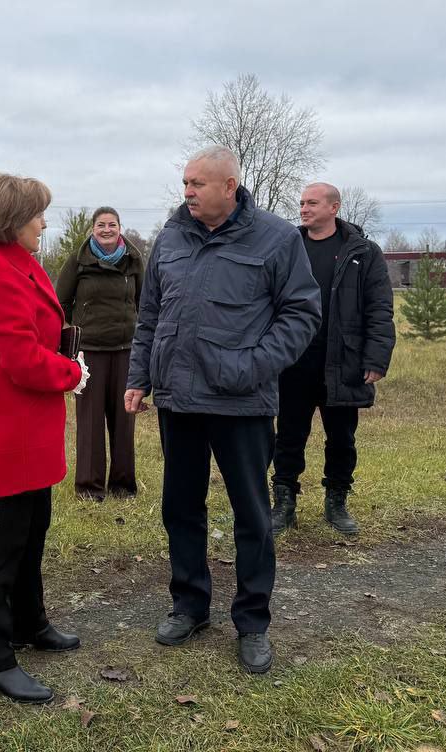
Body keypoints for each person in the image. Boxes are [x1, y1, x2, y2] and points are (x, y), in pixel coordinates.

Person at [126, 147, 320, 675]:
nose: (187, 191)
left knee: (252, 514)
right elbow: (150, 316)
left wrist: (253, 365)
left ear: (229, 186)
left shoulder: (276, 238)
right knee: (180, 508)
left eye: (197, 183)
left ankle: (253, 621)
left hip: (242, 403)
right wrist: (139, 377)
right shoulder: (171, 237)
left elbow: (302, 314)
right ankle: (190, 605)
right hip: (178, 399)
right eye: (185, 183)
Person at [0, 173, 90, 703]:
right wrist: (71, 373)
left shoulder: (18, 262)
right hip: (7, 426)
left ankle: (28, 622)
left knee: (32, 530)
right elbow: (21, 360)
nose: (44, 223)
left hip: (31, 424)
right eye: (37, 214)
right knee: (0, 544)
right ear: (12, 220)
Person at [270, 183, 395, 535]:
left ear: (334, 207)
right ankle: (283, 504)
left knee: (341, 438)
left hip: (343, 361)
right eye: (301, 203)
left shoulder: (362, 252)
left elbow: (379, 307)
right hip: (294, 361)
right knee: (288, 436)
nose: (304, 209)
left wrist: (376, 358)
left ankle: (336, 503)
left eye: (312, 203)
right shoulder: (288, 247)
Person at [56, 207, 144, 500]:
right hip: (89, 352)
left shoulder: (134, 260)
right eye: (101, 225)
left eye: (112, 225)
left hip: (126, 350)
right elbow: (60, 303)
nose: (107, 230)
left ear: (120, 228)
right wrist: (75, 332)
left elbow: (144, 302)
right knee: (90, 422)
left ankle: (123, 486)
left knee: (124, 420)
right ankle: (89, 488)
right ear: (92, 229)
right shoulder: (78, 261)